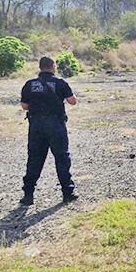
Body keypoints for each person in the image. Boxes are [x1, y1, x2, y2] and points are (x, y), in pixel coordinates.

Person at [19, 56, 78, 205]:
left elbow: (24, 106)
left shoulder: (30, 84)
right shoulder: (60, 82)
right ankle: (67, 193)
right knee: (62, 158)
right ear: (53, 66)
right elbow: (72, 101)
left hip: (37, 125)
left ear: (40, 67)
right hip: (56, 124)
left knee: (34, 159)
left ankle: (28, 195)